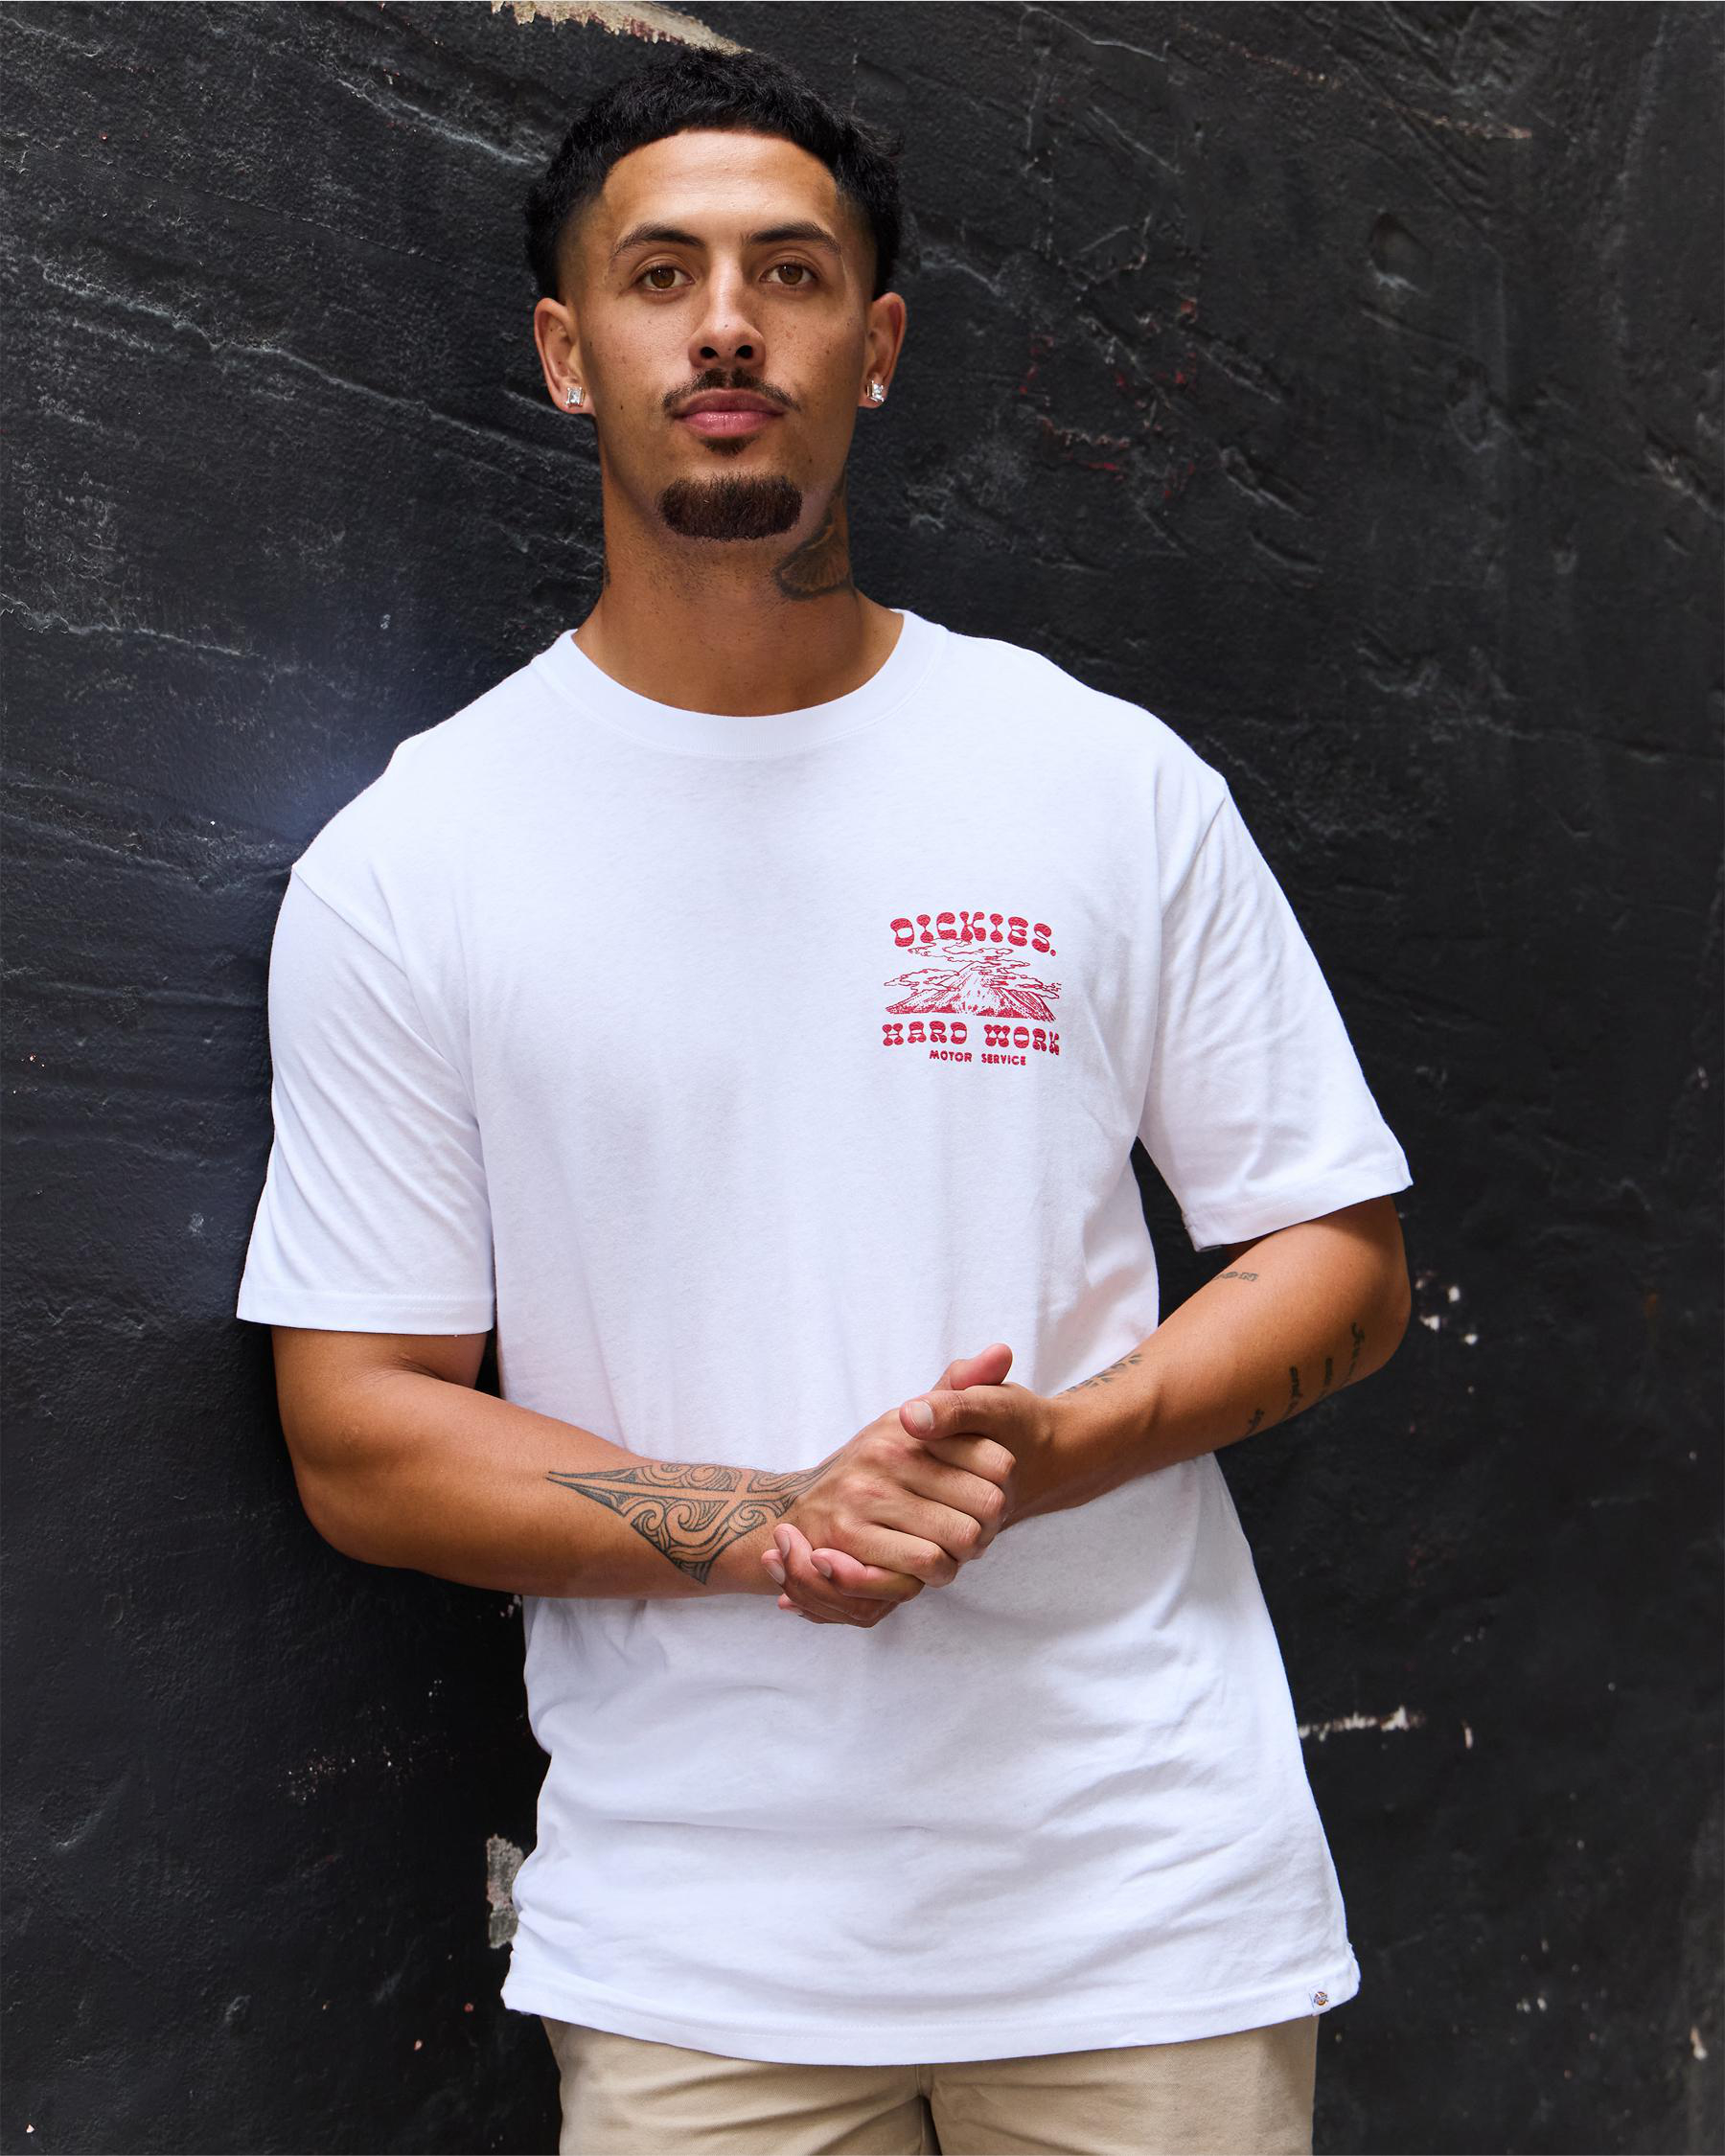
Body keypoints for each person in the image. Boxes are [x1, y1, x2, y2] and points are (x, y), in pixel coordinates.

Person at [235, 45, 1414, 2156]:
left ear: (873, 348)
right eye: (660, 274)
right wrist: (781, 1515)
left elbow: (1338, 1250)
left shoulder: (1099, 783)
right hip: (703, 1964)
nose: (723, 326)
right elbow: (359, 1431)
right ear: (565, 351)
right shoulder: (416, 861)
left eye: (787, 274)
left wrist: (1062, 1452)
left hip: (1145, 1915)